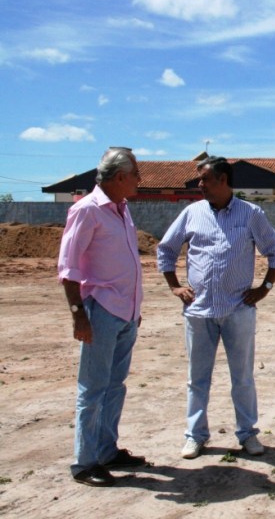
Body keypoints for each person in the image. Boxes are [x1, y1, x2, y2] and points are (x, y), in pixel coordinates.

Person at [156, 156, 275, 459]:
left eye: (204, 179)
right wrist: (175, 286)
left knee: (242, 377)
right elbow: (166, 250)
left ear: (223, 180)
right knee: (197, 379)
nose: (199, 184)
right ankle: (195, 435)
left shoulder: (251, 213)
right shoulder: (192, 213)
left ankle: (247, 434)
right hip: (198, 311)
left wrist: (264, 288)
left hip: (238, 310)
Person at [58, 147, 146, 487]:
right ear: (120, 177)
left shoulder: (122, 209)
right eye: (136, 174)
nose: (140, 180)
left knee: (114, 385)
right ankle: (85, 463)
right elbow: (69, 268)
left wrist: (135, 309)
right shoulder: (87, 210)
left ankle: (107, 450)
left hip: (126, 313)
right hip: (101, 311)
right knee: (93, 388)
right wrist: (78, 315)